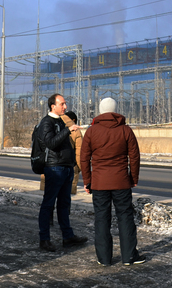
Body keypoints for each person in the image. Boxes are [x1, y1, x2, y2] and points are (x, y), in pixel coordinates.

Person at [80, 97, 145, 266]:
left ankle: (104, 258)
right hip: (121, 182)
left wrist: (87, 181)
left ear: (100, 111)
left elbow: (84, 158)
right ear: (115, 110)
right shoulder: (125, 130)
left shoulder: (91, 131)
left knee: (101, 219)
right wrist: (133, 178)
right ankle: (129, 256)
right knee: (125, 218)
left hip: (99, 183)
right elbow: (135, 157)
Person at [36, 93, 87, 252]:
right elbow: (51, 143)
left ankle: (68, 236)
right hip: (54, 168)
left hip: (66, 168)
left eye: (65, 104)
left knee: (64, 204)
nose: (65, 107)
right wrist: (67, 131)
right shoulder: (46, 122)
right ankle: (44, 239)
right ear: (53, 106)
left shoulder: (59, 121)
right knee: (48, 204)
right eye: (62, 104)